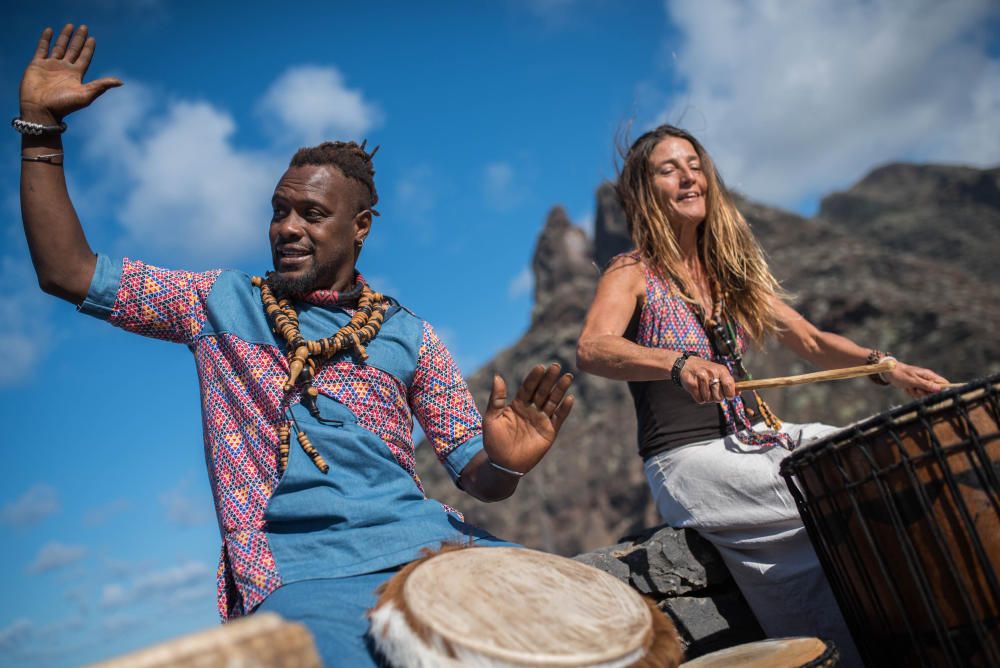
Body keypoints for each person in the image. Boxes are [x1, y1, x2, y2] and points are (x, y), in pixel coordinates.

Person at [17, 24, 575, 667]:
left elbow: (481, 481)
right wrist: (41, 129)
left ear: (360, 227)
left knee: (570, 624)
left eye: (311, 214)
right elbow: (67, 270)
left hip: (433, 548)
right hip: (298, 575)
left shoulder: (407, 334)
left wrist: (507, 461)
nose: (287, 227)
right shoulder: (219, 304)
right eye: (279, 211)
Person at [576, 124, 949, 666]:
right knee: (828, 485)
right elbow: (593, 348)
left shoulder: (728, 274)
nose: (688, 177)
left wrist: (887, 367)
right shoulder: (632, 271)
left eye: (694, 164)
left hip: (756, 439)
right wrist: (676, 363)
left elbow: (812, 341)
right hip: (691, 462)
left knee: (872, 452)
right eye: (668, 169)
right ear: (643, 192)